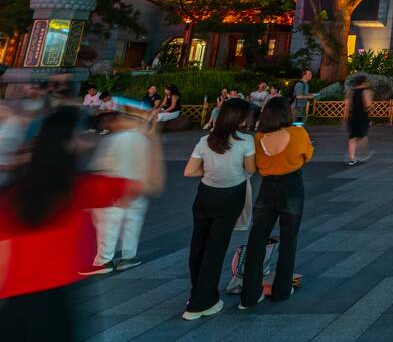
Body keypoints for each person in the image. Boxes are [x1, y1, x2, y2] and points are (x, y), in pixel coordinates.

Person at [0, 106, 153, 339]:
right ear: (69, 143)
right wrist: (146, 133)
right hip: (58, 305)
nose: (89, 140)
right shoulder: (81, 188)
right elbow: (149, 185)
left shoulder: (13, 195)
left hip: (16, 307)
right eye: (82, 135)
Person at [182, 98, 255, 321]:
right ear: (241, 118)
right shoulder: (246, 141)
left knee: (199, 245)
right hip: (230, 196)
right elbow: (250, 169)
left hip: (205, 195)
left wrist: (209, 172)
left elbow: (189, 171)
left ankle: (198, 292)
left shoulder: (205, 140)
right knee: (215, 248)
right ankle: (201, 303)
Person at [240, 97, 312, 309]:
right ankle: (282, 289)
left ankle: (249, 295)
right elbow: (306, 156)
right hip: (292, 187)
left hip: (267, 188)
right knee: (289, 239)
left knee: (257, 239)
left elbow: (254, 166)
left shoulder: (257, 138)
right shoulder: (298, 133)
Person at [82, 108, 159, 274]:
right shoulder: (143, 138)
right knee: (132, 224)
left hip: (116, 189)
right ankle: (128, 257)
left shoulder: (112, 140)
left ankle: (104, 261)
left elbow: (100, 166)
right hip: (138, 187)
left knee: (108, 226)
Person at [344, 74, 373, 166]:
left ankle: (351, 158)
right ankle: (362, 153)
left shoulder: (351, 91)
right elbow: (367, 105)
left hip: (353, 117)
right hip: (362, 116)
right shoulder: (366, 91)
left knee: (352, 137)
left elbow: (347, 105)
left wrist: (344, 118)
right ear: (364, 82)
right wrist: (371, 108)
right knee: (363, 136)